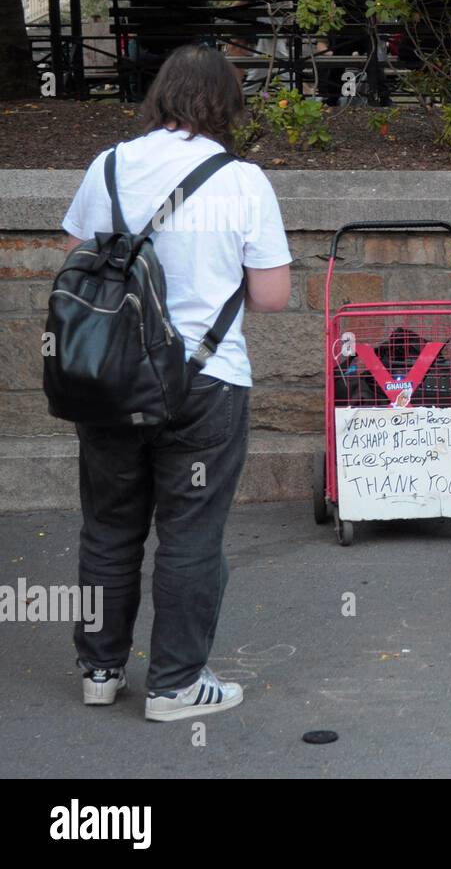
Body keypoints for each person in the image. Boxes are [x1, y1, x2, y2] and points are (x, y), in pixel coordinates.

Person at [61, 44, 293, 721]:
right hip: (205, 382)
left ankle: (100, 668)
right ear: (227, 102)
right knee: (191, 531)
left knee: (107, 524)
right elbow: (273, 295)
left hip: (109, 380)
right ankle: (175, 683)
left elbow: (78, 261)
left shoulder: (107, 166)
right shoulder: (243, 179)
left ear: (160, 93)